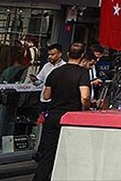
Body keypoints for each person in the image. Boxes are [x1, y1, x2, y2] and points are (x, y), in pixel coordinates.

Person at [33, 42, 90, 181]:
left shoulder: (55, 72)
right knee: (69, 152)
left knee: (48, 154)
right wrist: (86, 109)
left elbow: (46, 95)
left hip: (53, 115)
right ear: (82, 56)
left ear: (68, 54)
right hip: (72, 116)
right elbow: (85, 96)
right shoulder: (82, 73)